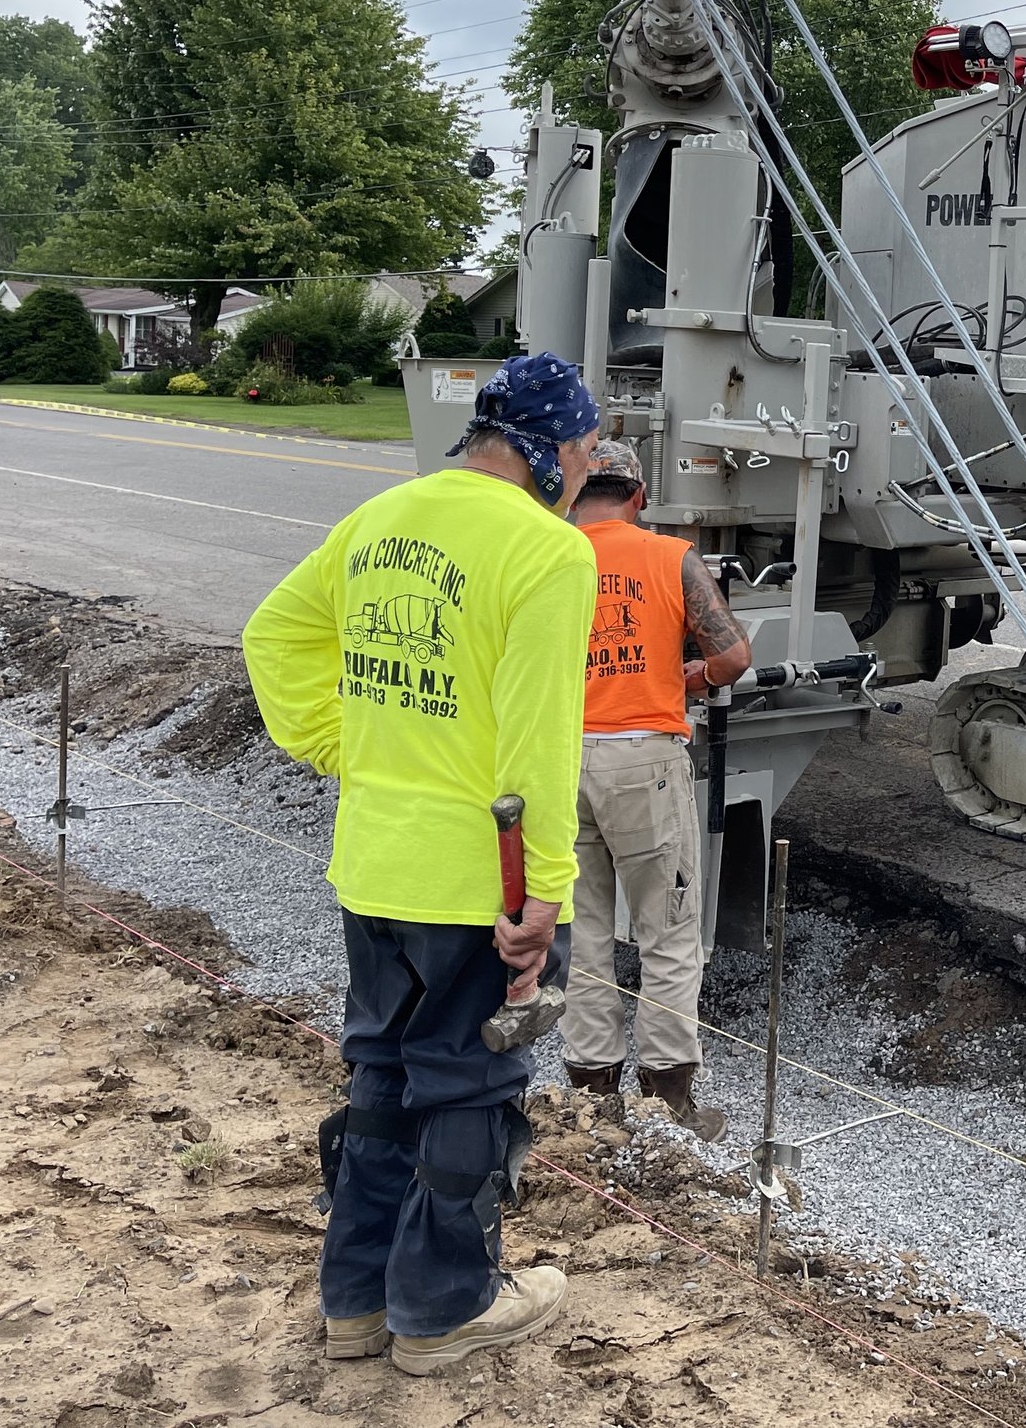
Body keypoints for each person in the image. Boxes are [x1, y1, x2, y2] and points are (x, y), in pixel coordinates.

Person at [243, 353, 602, 1372]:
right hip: (474, 881)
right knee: (469, 1088)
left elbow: (273, 635)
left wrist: (346, 748)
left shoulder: (381, 519)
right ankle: (442, 1311)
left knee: (381, 1076)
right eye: (582, 452)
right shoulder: (547, 551)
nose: (583, 472)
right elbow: (540, 742)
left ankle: (355, 1300)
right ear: (546, 451)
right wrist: (543, 895)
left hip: (372, 863)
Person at [563, 437, 751, 1135]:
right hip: (644, 759)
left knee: (582, 931)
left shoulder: (549, 552)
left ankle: (589, 1093)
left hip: (558, 757)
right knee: (666, 932)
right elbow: (731, 653)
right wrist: (685, 678)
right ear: (639, 495)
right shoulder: (668, 557)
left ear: (574, 491)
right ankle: (667, 1097)